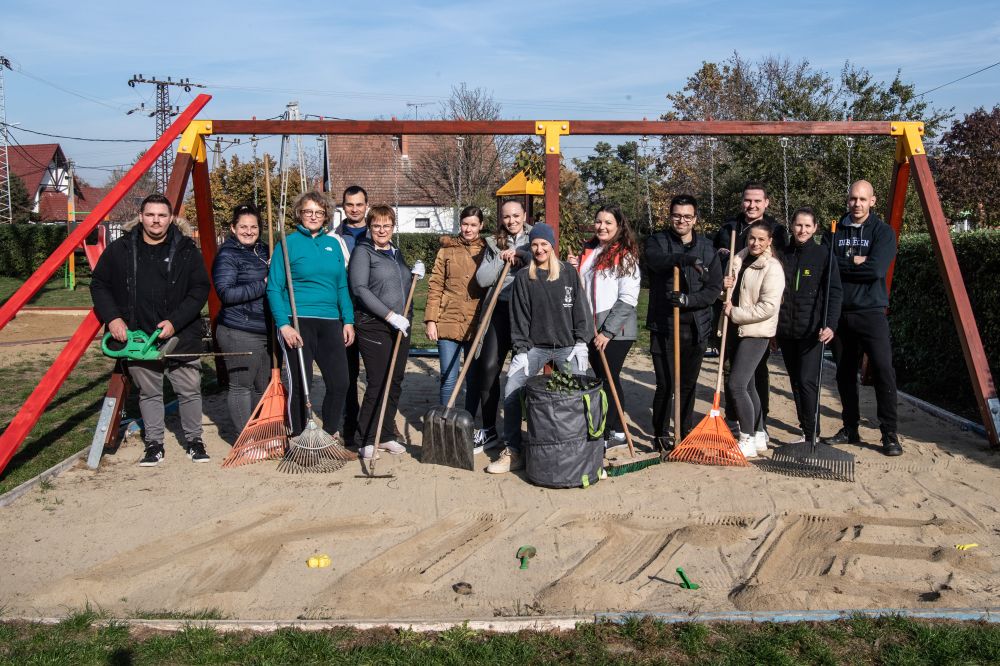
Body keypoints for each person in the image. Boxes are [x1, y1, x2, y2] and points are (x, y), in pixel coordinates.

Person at [90, 193, 211, 466]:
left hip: (181, 333)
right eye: (151, 215)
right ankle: (154, 444)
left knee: (189, 389)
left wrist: (175, 321)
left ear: (170, 219)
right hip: (137, 335)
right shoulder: (120, 249)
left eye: (162, 215)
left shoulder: (187, 250)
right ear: (141, 216)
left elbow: (200, 289)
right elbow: (99, 284)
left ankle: (194, 440)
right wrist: (113, 319)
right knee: (149, 392)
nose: (156, 221)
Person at [487, 223, 592, 474]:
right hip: (535, 347)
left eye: (544, 244)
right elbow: (519, 316)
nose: (539, 248)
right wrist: (521, 350)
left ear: (552, 245)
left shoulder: (568, 273)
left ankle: (582, 446)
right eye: (534, 244)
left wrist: (581, 341)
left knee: (581, 390)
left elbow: (581, 309)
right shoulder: (525, 277)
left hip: (567, 346)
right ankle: (513, 449)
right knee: (512, 386)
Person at [822, 180, 902, 456]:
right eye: (853, 199)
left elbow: (876, 270)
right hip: (841, 312)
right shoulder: (833, 231)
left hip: (871, 311)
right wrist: (857, 261)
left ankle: (889, 434)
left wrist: (854, 265)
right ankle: (850, 427)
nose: (857, 204)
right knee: (844, 373)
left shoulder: (883, 232)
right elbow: (828, 268)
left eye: (862, 199)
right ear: (848, 200)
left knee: (883, 370)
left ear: (873, 201)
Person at [267, 191, 354, 440]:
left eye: (318, 212)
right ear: (300, 214)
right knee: (301, 384)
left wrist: (347, 320)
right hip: (298, 321)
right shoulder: (288, 243)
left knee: (340, 383)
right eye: (308, 212)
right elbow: (274, 287)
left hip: (330, 321)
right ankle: (298, 435)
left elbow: (341, 286)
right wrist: (284, 325)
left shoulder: (334, 243)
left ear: (326, 215)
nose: (313, 216)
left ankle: (328, 431)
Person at [643, 195, 723, 450]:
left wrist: (688, 299)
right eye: (677, 215)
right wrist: (684, 260)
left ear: (695, 219)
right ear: (670, 216)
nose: (682, 220)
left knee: (688, 385)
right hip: (664, 326)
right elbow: (655, 262)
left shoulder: (708, 249)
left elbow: (713, 290)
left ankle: (684, 430)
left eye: (687, 216)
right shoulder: (658, 241)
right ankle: (660, 434)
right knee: (666, 384)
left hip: (696, 327)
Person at [348, 205, 425, 460]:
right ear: (370, 228)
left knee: (395, 381)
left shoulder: (395, 252)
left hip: (401, 326)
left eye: (387, 225)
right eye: (377, 226)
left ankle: (386, 434)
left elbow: (400, 284)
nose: (382, 230)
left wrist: (413, 274)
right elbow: (360, 289)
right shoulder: (363, 252)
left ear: (393, 227)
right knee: (378, 381)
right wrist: (389, 315)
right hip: (375, 325)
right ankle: (366, 438)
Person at [715, 181, 788, 441]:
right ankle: (737, 424)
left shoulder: (776, 234)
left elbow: (770, 299)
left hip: (753, 322)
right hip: (733, 320)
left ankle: (757, 428)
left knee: (750, 378)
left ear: (766, 203)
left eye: (757, 201)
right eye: (748, 200)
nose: (752, 205)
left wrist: (736, 313)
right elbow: (722, 269)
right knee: (736, 378)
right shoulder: (728, 230)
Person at [567, 205, 641, 448]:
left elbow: (629, 297)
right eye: (598, 221)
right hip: (592, 324)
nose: (602, 227)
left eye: (608, 222)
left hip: (616, 330)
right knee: (601, 378)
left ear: (619, 226)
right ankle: (605, 426)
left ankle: (617, 431)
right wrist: (574, 266)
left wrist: (608, 331)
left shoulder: (625, 255)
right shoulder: (591, 250)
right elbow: (583, 286)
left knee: (609, 378)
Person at [776, 207, 842, 445]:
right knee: (795, 380)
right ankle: (805, 428)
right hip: (786, 329)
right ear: (791, 227)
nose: (802, 230)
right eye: (798, 225)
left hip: (812, 330)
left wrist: (831, 324)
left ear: (815, 228)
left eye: (807, 226)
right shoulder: (782, 253)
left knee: (807, 380)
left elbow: (834, 293)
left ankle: (813, 432)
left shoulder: (823, 255)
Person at [473, 199, 532, 452]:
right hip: (498, 310)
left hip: (525, 314)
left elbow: (543, 262)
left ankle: (519, 433)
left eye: (516, 216)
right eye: (506, 217)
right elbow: (483, 279)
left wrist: (521, 254)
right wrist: (501, 256)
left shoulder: (535, 236)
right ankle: (488, 430)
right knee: (488, 368)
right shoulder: (493, 242)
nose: (511, 221)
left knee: (521, 375)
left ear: (524, 215)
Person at [212, 203, 271, 435]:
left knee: (261, 387)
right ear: (233, 228)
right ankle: (243, 437)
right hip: (239, 328)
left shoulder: (265, 250)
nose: (249, 231)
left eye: (253, 227)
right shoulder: (228, 255)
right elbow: (226, 293)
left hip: (265, 327)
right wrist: (264, 284)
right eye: (243, 227)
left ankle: (258, 432)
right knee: (241, 386)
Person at [424, 206, 487, 412]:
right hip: (448, 319)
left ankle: (466, 422)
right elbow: (435, 285)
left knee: (473, 377)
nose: (468, 229)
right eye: (465, 224)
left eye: (473, 225)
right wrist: (431, 320)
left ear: (481, 226)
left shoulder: (487, 250)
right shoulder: (446, 250)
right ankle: (446, 420)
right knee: (448, 376)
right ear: (460, 224)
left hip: (475, 323)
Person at [332, 185, 368, 445]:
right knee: (347, 372)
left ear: (366, 205)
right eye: (349, 204)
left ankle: (377, 423)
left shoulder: (377, 232)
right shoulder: (335, 239)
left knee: (378, 373)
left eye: (359, 204)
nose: (354, 209)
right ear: (343, 206)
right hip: (345, 311)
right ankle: (349, 423)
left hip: (372, 312)